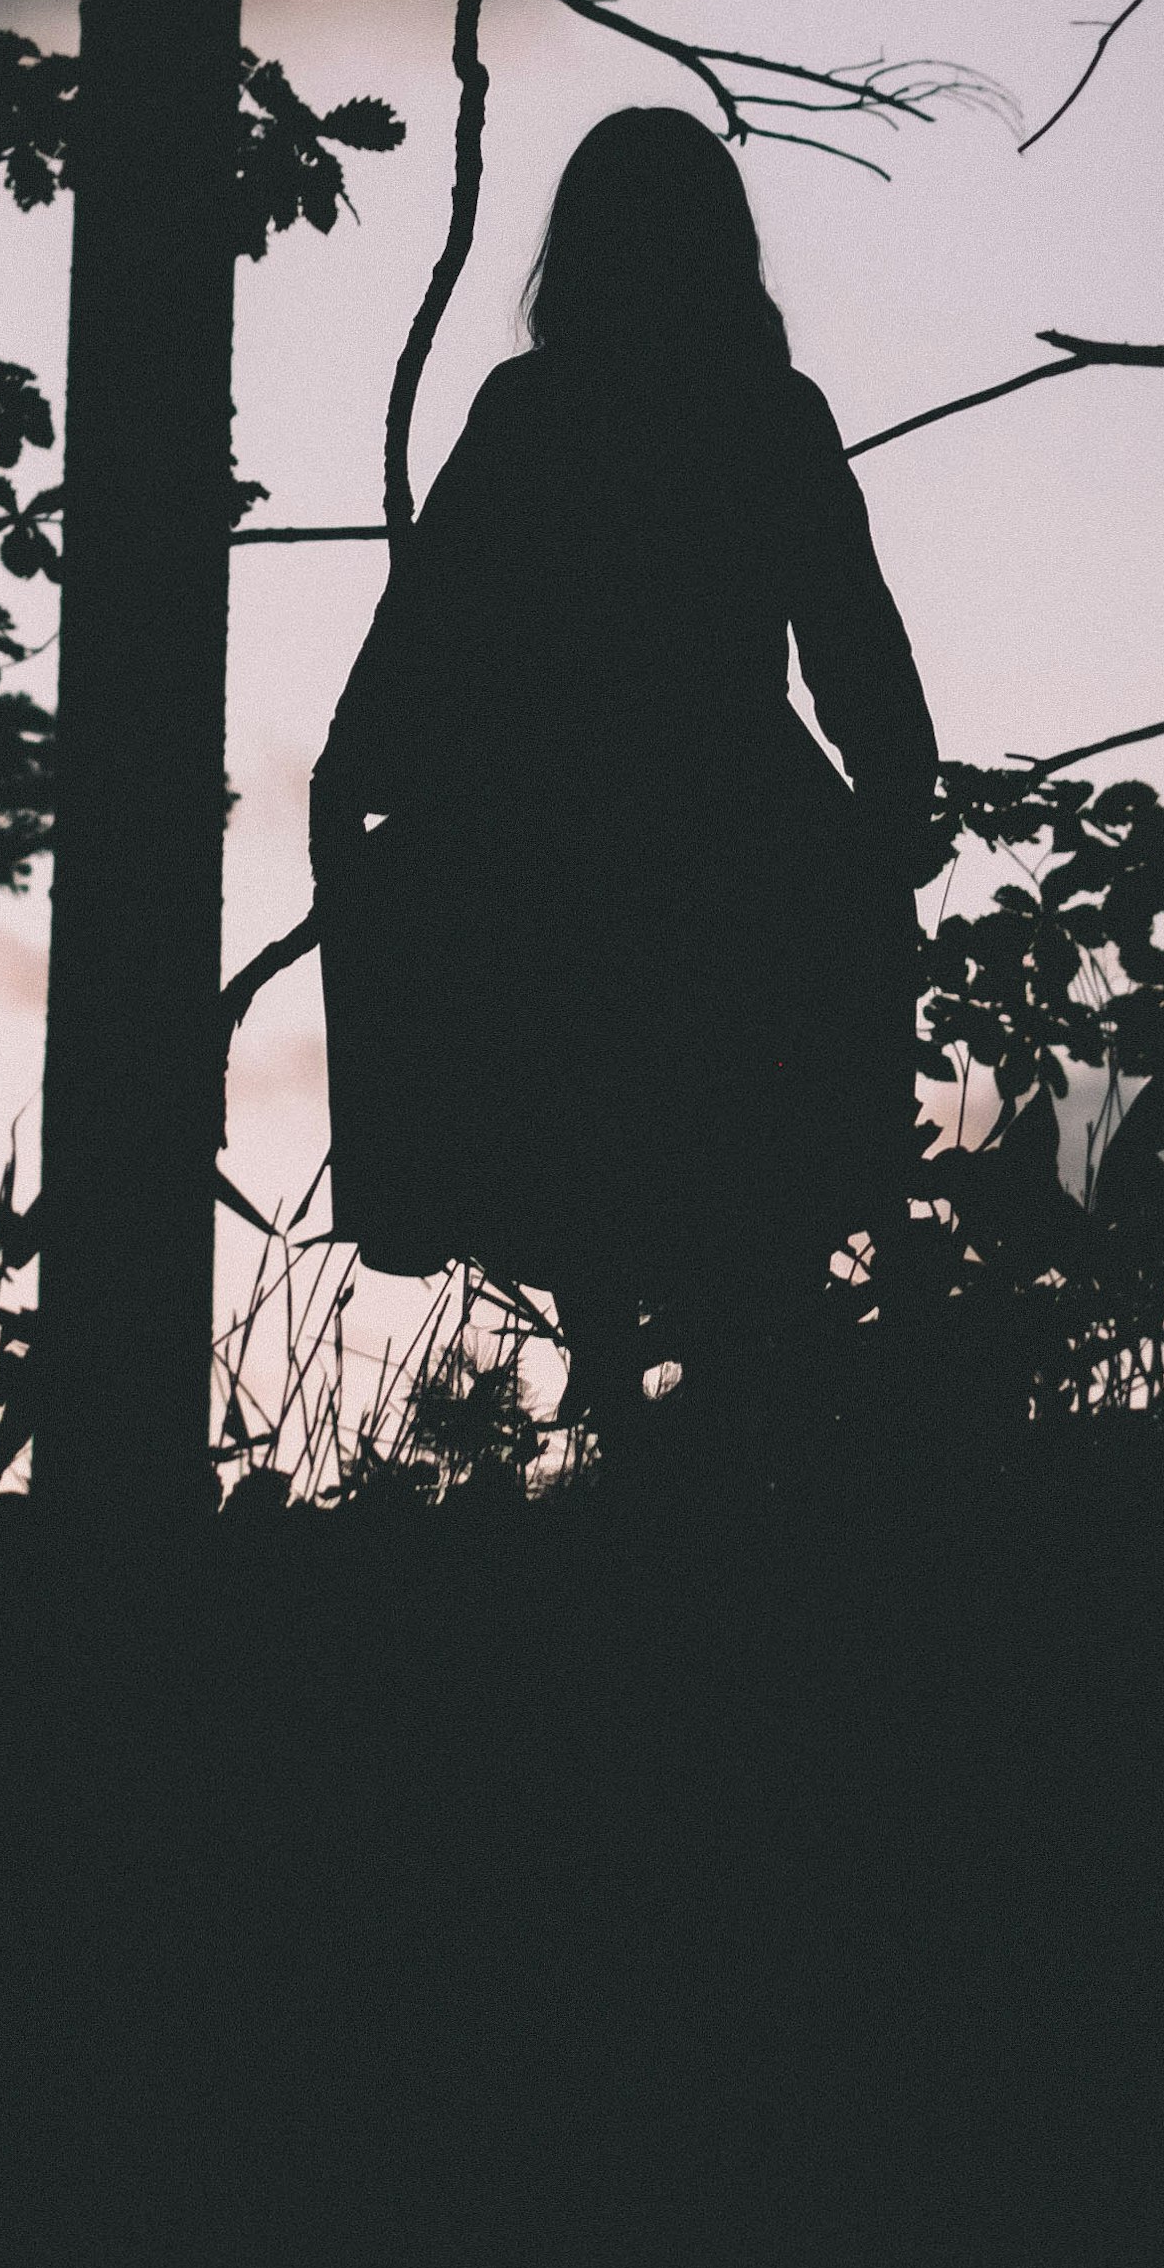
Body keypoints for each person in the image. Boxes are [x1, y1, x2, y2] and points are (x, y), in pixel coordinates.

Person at [311, 106, 939, 1456]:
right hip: (729, 819)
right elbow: (851, 629)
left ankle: (625, 1399)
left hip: (559, 824)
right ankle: (704, 1418)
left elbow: (430, 622)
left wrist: (359, 769)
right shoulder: (766, 411)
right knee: (738, 1153)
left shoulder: (537, 408)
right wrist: (894, 789)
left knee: (596, 1126)